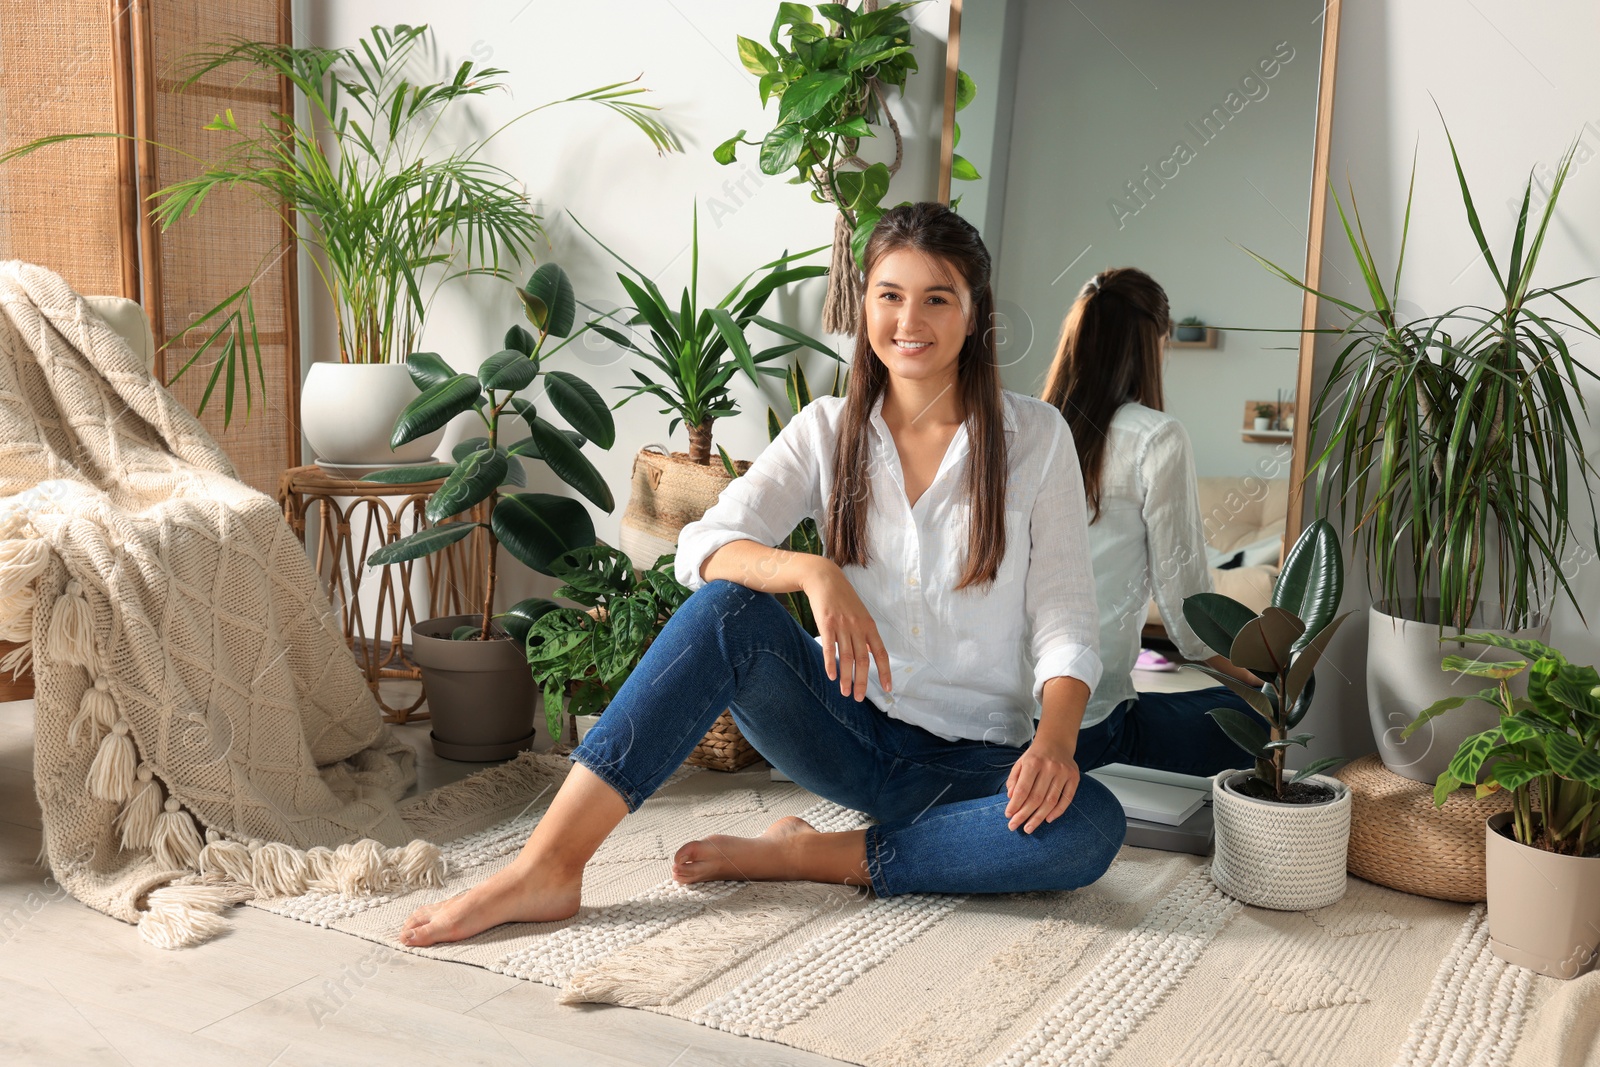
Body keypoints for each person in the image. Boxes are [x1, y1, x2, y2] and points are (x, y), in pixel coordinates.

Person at [399, 202, 1125, 947]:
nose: (910, 321)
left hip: (975, 762)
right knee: (725, 612)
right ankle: (547, 866)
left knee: (1089, 826)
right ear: (864, 302)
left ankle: (811, 854)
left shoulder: (1036, 439)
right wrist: (812, 571)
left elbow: (1066, 618)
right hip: (845, 731)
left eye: (938, 298)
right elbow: (703, 546)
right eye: (890, 295)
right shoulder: (824, 431)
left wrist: (1056, 742)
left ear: (975, 315)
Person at [1038, 267, 1267, 778]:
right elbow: (1187, 609)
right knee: (1253, 716)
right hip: (1086, 721)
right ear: (1153, 344)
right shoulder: (1155, 436)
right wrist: (1262, 680)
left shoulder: (1026, 425)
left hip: (1001, 714)